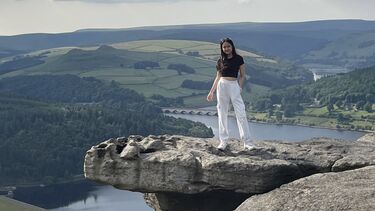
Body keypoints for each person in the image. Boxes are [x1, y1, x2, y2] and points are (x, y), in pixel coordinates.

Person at [207, 37, 255, 151]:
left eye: (228, 46)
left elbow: (243, 75)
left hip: (234, 85)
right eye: (224, 47)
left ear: (232, 46)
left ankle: (247, 142)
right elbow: (218, 77)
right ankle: (223, 141)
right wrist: (211, 92)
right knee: (222, 112)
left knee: (241, 113)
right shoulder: (220, 60)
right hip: (222, 86)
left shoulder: (239, 59)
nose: (226, 48)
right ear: (221, 48)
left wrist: (239, 88)